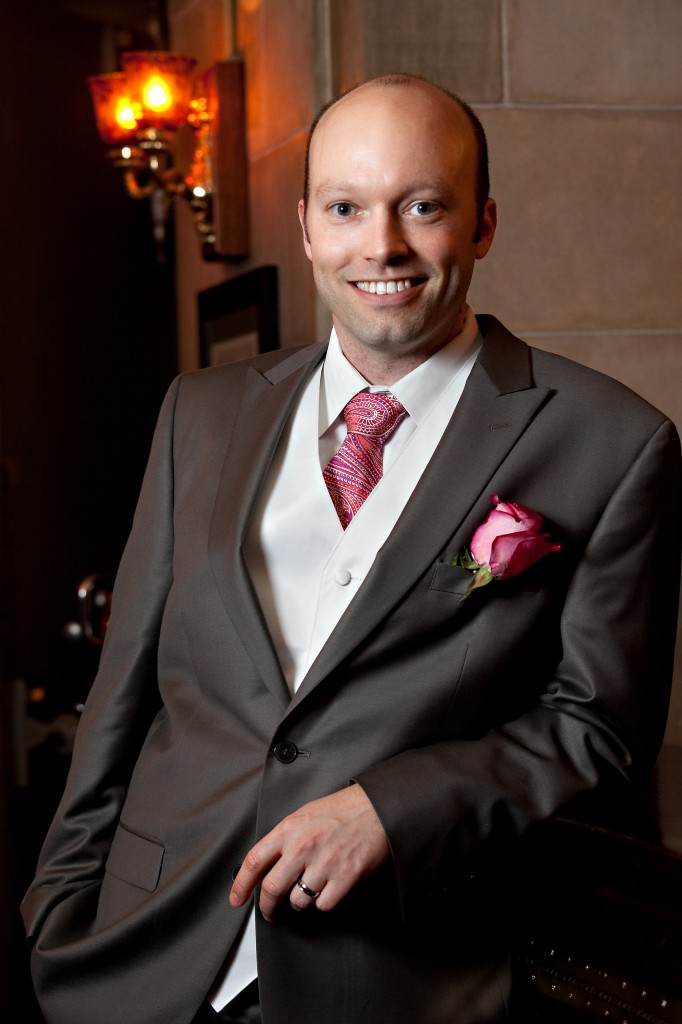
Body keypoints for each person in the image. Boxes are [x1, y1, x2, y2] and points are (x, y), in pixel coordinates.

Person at [22, 73, 681, 1024]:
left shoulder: (611, 442)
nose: (382, 246)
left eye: (423, 206)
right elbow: (123, 697)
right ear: (305, 227)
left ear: (483, 223)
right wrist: (60, 906)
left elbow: (599, 731)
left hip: (395, 973)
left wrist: (396, 807)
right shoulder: (198, 414)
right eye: (346, 208)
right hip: (141, 960)